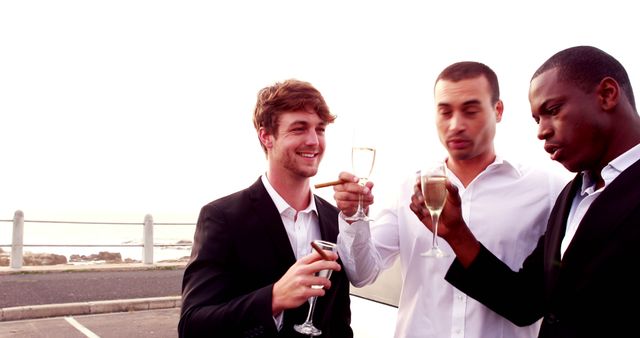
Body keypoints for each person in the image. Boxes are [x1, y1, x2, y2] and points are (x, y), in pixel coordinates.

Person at [410, 46, 640, 338]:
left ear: (607, 94)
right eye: (537, 119)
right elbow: (524, 303)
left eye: (553, 111)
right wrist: (456, 233)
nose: (541, 131)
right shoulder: (572, 195)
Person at [334, 61, 567, 337]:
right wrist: (352, 218)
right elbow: (362, 274)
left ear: (498, 110)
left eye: (470, 111)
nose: (456, 125)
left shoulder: (548, 189)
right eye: (445, 112)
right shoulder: (410, 187)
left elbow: (548, 298)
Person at [178, 79, 353, 337]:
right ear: (266, 136)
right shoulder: (222, 217)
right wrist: (273, 298)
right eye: (299, 128)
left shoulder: (336, 219)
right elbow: (193, 325)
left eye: (320, 129)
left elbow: (339, 325)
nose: (314, 141)